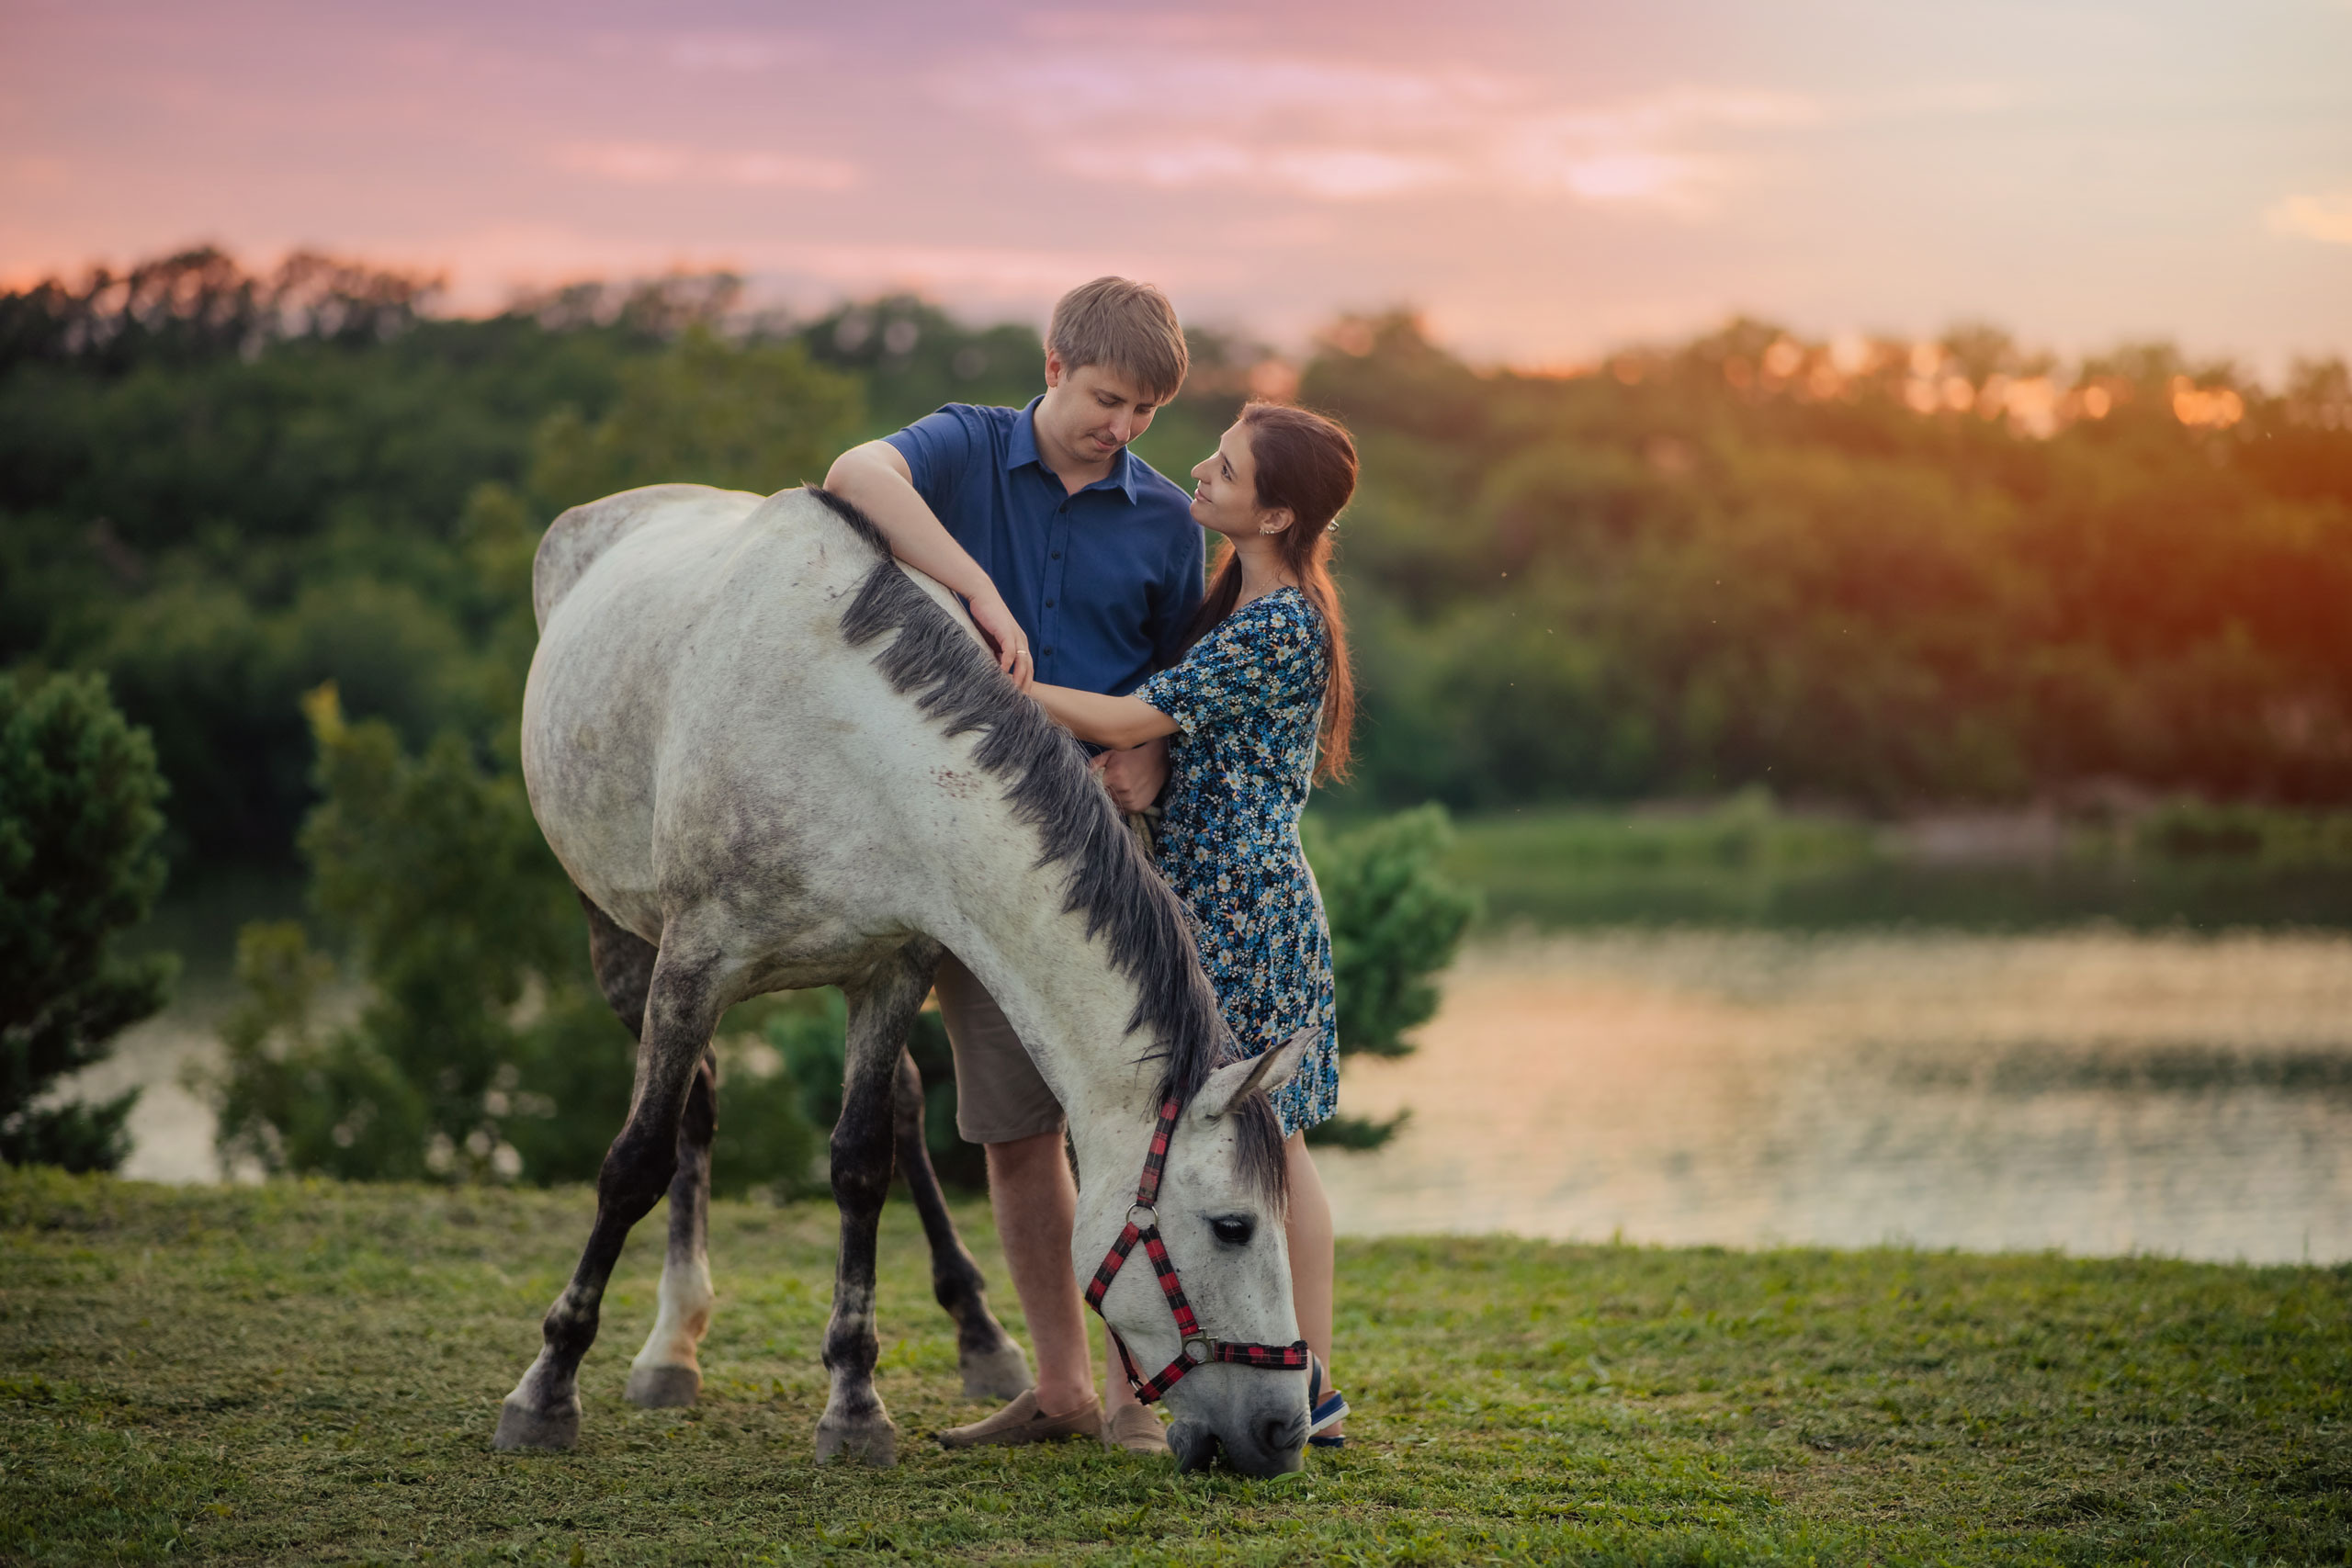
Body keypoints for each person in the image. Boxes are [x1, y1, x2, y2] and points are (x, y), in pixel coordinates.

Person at [822, 276, 1204, 1454]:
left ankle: (1143, 1395)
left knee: (1131, 1113)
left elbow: (1175, 690)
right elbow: (850, 474)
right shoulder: (965, 448)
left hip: (1105, 857)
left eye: (1144, 410)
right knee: (1013, 1125)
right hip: (972, 861)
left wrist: (1148, 763)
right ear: (1052, 365)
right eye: (1106, 398)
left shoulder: (1164, 522)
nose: (1123, 428)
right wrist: (974, 583)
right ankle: (1061, 1389)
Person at [1021, 400, 1361, 1450]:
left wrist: (1007, 686)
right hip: (1205, 896)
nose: (1198, 476)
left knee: (1271, 1144)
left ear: (1278, 512)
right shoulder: (1237, 605)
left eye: (1226, 468)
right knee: (1231, 1143)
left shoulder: (1281, 624)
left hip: (1247, 908)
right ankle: (1263, 1377)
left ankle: (1308, 1387)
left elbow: (1130, 721)